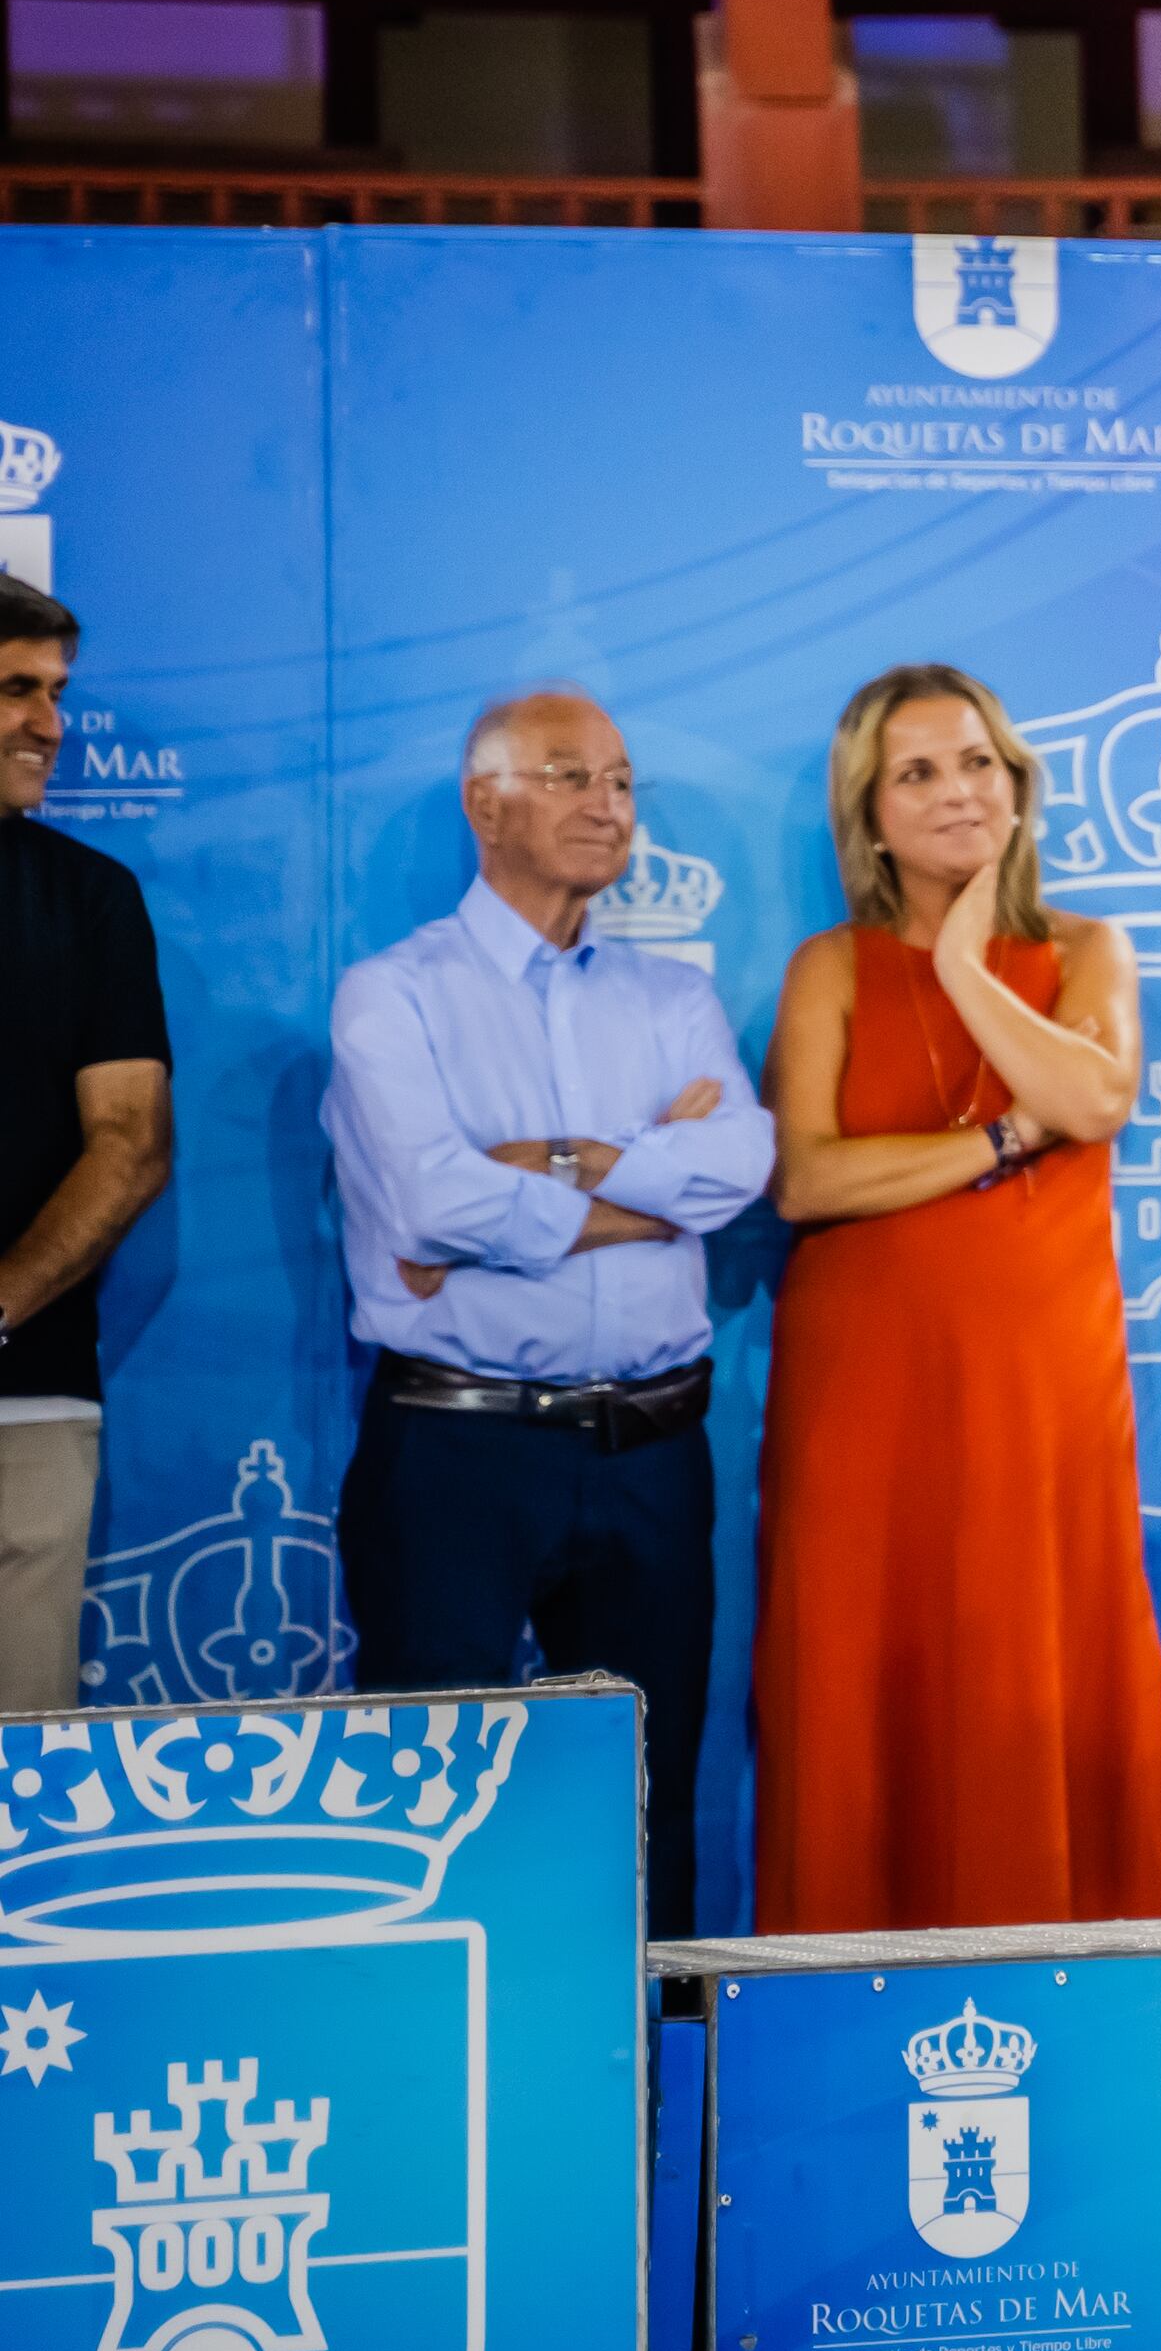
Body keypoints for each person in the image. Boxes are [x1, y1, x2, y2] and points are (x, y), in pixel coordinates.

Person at [324, 686, 767, 1934]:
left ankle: (655, 2099)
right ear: (487, 803)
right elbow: (428, 1203)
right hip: (458, 1452)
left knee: (643, 1808)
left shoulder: (672, 998)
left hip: (652, 1454)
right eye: (572, 776)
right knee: (425, 1797)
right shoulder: (392, 993)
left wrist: (550, 1158)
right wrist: (644, 1180)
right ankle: (430, 2096)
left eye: (622, 782)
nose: (608, 806)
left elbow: (736, 1171)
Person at [753, 663, 1161, 1932]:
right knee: (856, 1690)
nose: (955, 791)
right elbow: (806, 1178)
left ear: (1018, 784)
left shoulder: (1085, 948)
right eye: (917, 772)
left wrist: (962, 964)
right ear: (868, 814)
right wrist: (998, 1144)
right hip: (866, 1406)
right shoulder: (827, 967)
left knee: (1032, 1672)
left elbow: (1092, 1100)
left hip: (1041, 1400)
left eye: (978, 762)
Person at [0, 576, 165, 1715]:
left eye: (56, 692)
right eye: (16, 689)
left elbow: (131, 1143)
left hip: (30, 1402)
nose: (52, 724)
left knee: (19, 1800)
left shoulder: (93, 898)